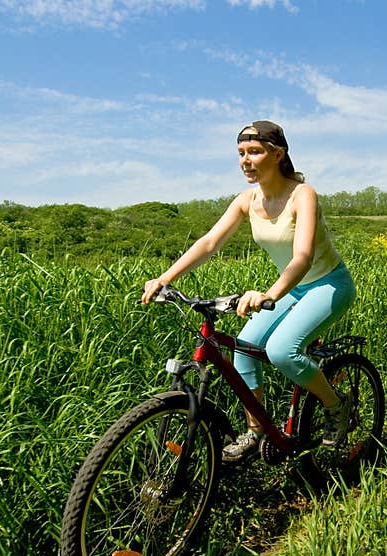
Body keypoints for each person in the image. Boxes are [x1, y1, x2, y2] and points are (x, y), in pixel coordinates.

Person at [141, 120, 356, 462]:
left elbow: (303, 257)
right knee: (243, 350)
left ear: (277, 154)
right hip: (292, 289)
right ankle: (255, 432)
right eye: (240, 153)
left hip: (327, 284)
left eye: (254, 152)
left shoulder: (302, 194)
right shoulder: (247, 200)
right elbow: (209, 242)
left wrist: (269, 293)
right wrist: (165, 278)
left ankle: (336, 405)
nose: (245, 160)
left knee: (283, 351)